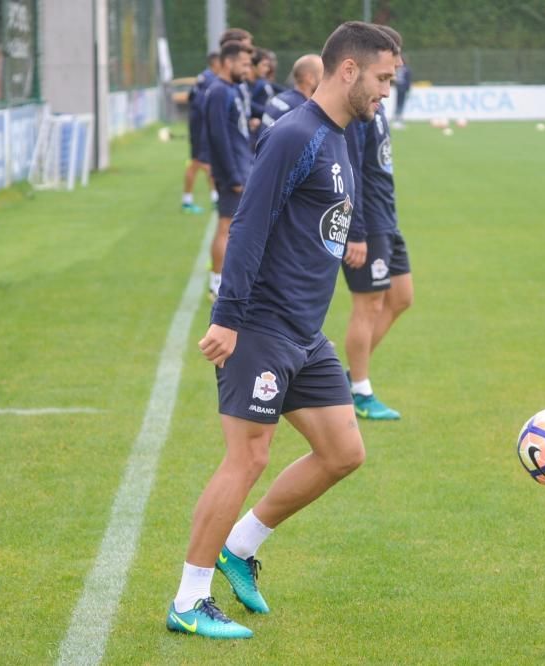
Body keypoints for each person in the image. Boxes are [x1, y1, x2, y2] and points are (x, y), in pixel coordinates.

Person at [166, 21, 398, 640]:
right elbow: (247, 226)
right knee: (248, 458)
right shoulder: (294, 134)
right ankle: (189, 600)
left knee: (344, 451)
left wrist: (349, 234)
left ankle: (239, 548)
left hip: (304, 330)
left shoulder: (344, 134)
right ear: (348, 70)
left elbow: (315, 215)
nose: (385, 93)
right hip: (262, 324)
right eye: (382, 79)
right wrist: (228, 319)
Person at [341, 24, 411, 421]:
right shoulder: (356, 113)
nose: (389, 84)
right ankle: (359, 391)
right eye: (385, 76)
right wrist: (358, 232)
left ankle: (351, 375)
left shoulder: (377, 106)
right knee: (367, 306)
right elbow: (351, 173)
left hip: (388, 217)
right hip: (368, 224)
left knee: (402, 297)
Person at [203, 40, 254, 300]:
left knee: (236, 226)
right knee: (226, 225)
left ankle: (230, 279)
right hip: (232, 173)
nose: (247, 69)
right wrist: (233, 175)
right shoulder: (219, 91)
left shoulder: (231, 89)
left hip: (242, 168)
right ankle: (217, 281)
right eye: (243, 64)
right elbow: (219, 137)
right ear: (228, 62)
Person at [182, 52, 220, 214]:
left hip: (198, 126)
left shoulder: (203, 77)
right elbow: (199, 103)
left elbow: (190, 97)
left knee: (203, 163)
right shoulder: (209, 79)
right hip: (199, 128)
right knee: (200, 162)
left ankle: (214, 198)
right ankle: (188, 201)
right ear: (215, 63)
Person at [260, 54, 323, 128]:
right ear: (309, 78)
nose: (325, 79)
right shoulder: (302, 112)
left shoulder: (280, 97)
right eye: (323, 73)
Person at [391, 56, 410, 129]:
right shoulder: (407, 70)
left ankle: (396, 119)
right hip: (404, 88)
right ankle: (398, 120)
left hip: (398, 88)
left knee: (397, 104)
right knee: (401, 104)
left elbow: (395, 79)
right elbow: (408, 80)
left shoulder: (399, 70)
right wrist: (408, 89)